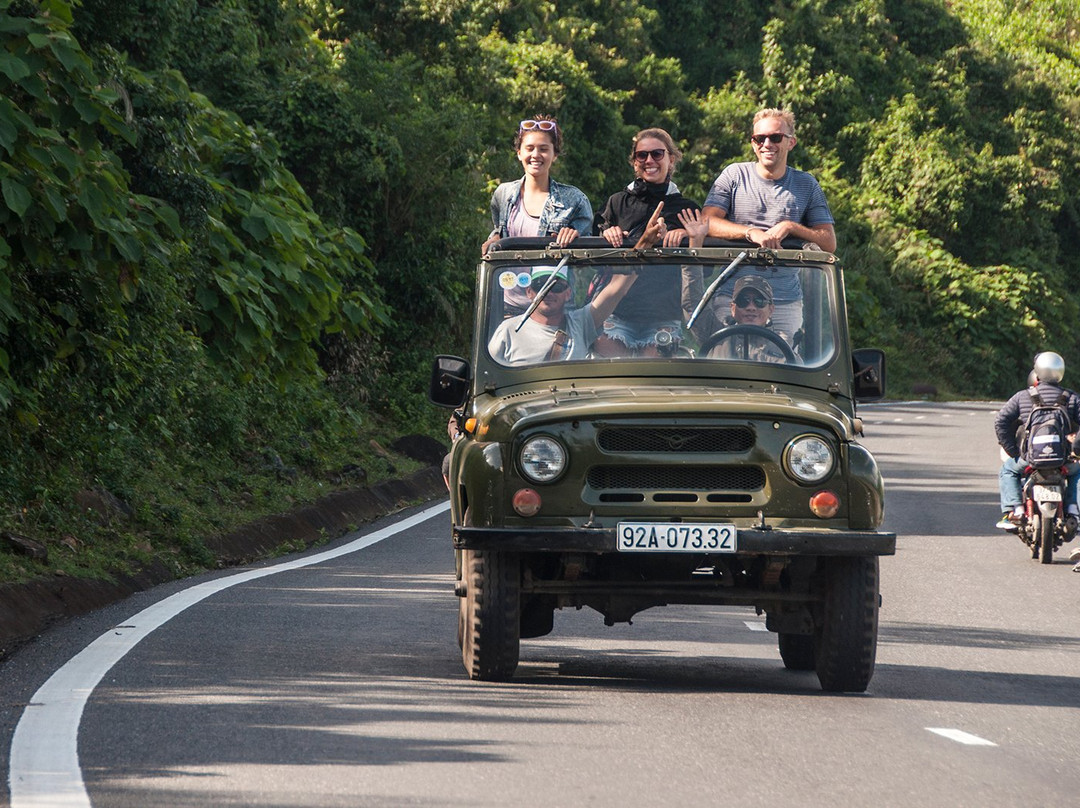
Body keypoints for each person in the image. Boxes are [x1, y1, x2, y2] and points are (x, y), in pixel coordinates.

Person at [701, 108, 835, 337]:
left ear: (791, 142)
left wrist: (790, 226)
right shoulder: (733, 175)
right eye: (759, 138)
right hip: (733, 297)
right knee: (725, 362)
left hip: (785, 301)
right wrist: (751, 233)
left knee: (785, 367)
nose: (766, 144)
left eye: (774, 137)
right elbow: (706, 222)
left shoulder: (807, 184)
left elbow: (829, 243)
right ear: (753, 143)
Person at [488, 205, 663, 365]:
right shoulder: (508, 331)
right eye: (541, 285)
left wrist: (646, 242)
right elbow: (489, 379)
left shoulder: (581, 324)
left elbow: (617, 287)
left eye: (556, 286)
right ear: (529, 292)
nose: (547, 292)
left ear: (568, 293)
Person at [590, 128, 700, 357]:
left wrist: (687, 236)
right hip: (617, 310)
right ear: (634, 162)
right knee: (610, 377)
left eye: (657, 154)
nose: (649, 160)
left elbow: (702, 271)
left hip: (663, 315)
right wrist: (607, 234)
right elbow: (595, 261)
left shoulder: (686, 209)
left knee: (653, 377)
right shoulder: (616, 202)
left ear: (671, 160)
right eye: (642, 155)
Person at [482, 116, 594, 316]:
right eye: (529, 148)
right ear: (519, 153)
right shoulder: (503, 194)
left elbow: (588, 257)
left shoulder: (575, 200)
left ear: (555, 155)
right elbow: (501, 232)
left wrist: (575, 237)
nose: (536, 155)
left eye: (543, 149)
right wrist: (494, 240)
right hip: (508, 306)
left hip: (553, 308)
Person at [677, 210, 793, 362]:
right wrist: (696, 242)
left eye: (759, 302)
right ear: (732, 308)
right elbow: (692, 303)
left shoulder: (784, 352)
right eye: (743, 301)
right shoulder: (715, 335)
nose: (751, 307)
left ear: (771, 309)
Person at [993, 351, 1080, 534]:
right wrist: (1076, 450)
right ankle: (1073, 508)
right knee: (1077, 471)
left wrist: (1014, 452)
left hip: (1030, 459)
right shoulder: (1071, 398)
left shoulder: (1023, 396)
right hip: (1062, 459)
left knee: (1008, 470)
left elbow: (1001, 421)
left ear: (1037, 371)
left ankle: (1015, 509)